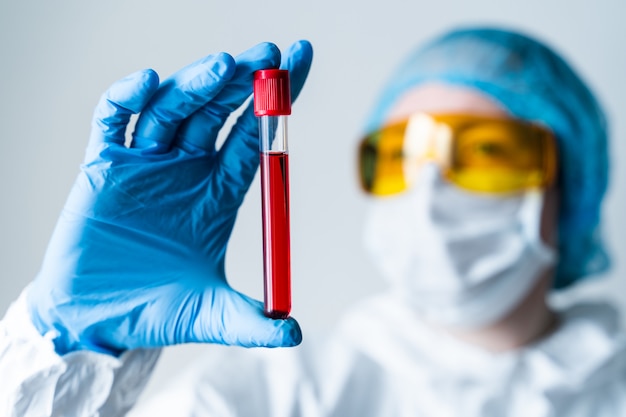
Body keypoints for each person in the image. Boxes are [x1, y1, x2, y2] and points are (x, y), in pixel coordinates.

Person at [1, 26, 625, 417]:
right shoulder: (272, 398)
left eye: (486, 152)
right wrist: (71, 349)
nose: (429, 191)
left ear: (570, 191)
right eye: (400, 156)